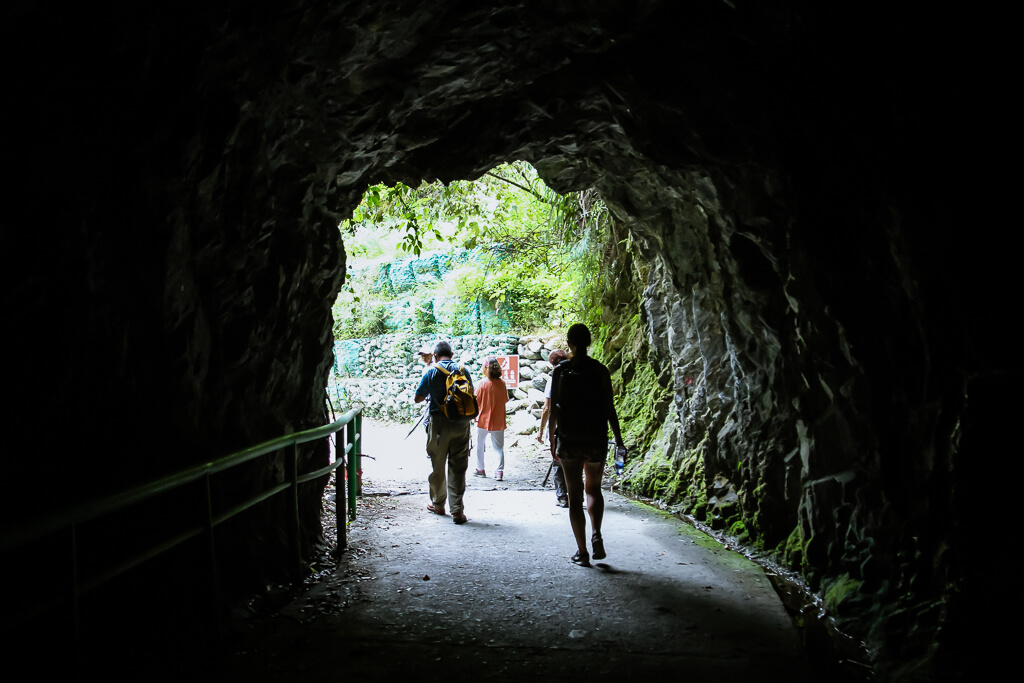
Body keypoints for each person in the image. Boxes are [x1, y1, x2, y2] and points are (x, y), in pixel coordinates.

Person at [549, 323, 625, 566]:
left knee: (574, 495)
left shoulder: (560, 371)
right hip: (595, 440)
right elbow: (609, 409)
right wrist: (619, 439)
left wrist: (552, 439)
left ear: (569, 343)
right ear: (589, 342)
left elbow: (554, 410)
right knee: (594, 489)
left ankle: (582, 552)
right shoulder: (600, 370)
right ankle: (597, 534)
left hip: (569, 439)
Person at [414, 341, 473, 524]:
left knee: (438, 465)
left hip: (439, 423)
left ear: (435, 355)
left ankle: (439, 504)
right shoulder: (463, 370)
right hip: (462, 424)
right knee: (458, 467)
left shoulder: (432, 371)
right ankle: (457, 511)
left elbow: (418, 398)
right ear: (452, 354)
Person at [537, 349, 569, 507]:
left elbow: (547, 408)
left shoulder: (555, 377)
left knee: (558, 462)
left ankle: (562, 496)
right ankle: (577, 494)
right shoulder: (578, 374)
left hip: (561, 426)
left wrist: (543, 430)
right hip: (580, 425)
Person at [473, 357, 508, 481]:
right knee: (498, 447)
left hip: (482, 419)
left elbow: (475, 401)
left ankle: (480, 469)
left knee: (479, 445)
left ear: (486, 368)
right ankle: (499, 472)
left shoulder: (481, 384)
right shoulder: (502, 383)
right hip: (498, 419)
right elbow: (505, 400)